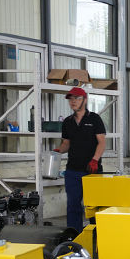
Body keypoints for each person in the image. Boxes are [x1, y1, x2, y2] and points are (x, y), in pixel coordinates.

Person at [54, 87, 106, 234]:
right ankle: (74, 235)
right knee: (73, 205)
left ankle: (98, 234)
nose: (73, 101)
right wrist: (58, 150)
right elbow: (66, 143)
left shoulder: (94, 119)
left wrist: (95, 160)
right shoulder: (67, 122)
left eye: (77, 98)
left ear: (85, 100)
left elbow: (102, 142)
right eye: (71, 99)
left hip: (92, 170)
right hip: (72, 171)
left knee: (94, 206)